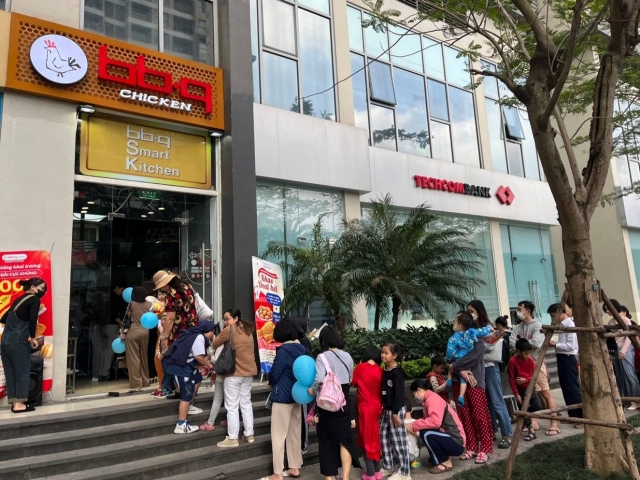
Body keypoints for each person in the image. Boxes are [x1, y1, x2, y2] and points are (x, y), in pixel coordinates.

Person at [309, 326, 361, 480]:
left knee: (326, 441)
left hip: (326, 403)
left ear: (323, 340)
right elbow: (350, 378)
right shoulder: (348, 356)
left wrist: (312, 391)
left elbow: (319, 380)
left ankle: (330, 478)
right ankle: (345, 477)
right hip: (343, 401)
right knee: (344, 439)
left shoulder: (322, 357)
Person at [260, 319, 306, 480]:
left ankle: (278, 472)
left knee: (278, 435)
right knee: (294, 432)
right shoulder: (302, 349)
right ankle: (294, 467)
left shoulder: (284, 350)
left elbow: (275, 373)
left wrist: (270, 381)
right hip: (297, 395)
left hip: (282, 395)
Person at [509, 300, 559, 435]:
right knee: (528, 396)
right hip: (522, 366)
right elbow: (511, 342)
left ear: (528, 311)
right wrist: (524, 346)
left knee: (546, 393)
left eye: (520, 309)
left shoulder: (537, 326)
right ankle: (533, 423)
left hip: (537, 362)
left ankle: (554, 423)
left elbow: (537, 343)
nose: (518, 312)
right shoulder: (517, 327)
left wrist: (521, 346)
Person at [468, 300, 513, 449]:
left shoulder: (487, 327)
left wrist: (476, 341)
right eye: (468, 311)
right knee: (486, 402)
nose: (470, 314)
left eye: (472, 311)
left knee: (496, 400)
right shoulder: (471, 328)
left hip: (489, 366)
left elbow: (488, 347)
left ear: (479, 311)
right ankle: (492, 430)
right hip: (478, 368)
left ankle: (507, 434)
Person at [450, 311, 494, 465]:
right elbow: (449, 356)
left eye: (455, 321)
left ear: (462, 324)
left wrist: (455, 366)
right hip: (457, 381)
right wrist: (457, 369)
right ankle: (471, 447)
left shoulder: (478, 340)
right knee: (464, 415)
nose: (453, 323)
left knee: (479, 414)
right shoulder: (454, 339)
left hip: (474, 382)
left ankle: (485, 448)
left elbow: (473, 358)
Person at [211, 308, 258, 448]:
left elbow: (214, 344)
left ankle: (233, 438)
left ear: (236, 318)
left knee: (232, 405)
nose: (225, 322)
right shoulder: (248, 330)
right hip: (248, 373)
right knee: (246, 403)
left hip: (233, 374)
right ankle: (249, 434)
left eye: (227, 319)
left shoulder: (229, 330)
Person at [0, 278, 47, 413]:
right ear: (33, 287)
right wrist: (32, 337)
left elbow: (3, 319)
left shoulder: (17, 300)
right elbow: (32, 320)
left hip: (5, 341)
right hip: (18, 341)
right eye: (41, 288)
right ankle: (19, 404)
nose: (42, 291)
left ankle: (14, 402)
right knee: (23, 371)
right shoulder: (34, 300)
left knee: (11, 372)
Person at [153, 270, 200, 398]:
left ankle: (178, 390)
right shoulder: (188, 287)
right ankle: (187, 389)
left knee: (170, 360)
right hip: (193, 330)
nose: (161, 289)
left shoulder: (171, 295)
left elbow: (170, 319)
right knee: (189, 361)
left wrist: (164, 337)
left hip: (179, 333)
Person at [163, 320, 216, 434]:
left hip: (183, 366)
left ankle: (190, 405)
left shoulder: (192, 334)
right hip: (180, 369)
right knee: (186, 394)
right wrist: (209, 365)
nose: (212, 334)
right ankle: (181, 424)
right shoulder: (199, 337)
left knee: (197, 378)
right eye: (211, 331)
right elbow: (198, 357)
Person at [407, 379, 466, 475]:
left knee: (426, 434)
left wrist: (414, 425)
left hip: (457, 442)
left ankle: (444, 462)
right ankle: (442, 456)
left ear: (419, 390)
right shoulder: (430, 399)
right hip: (452, 438)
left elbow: (435, 422)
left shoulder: (432, 399)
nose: (415, 398)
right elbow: (427, 420)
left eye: (414, 395)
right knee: (425, 431)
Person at [446, 312, 494, 407]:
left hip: (466, 372)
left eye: (455, 321)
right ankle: (461, 396)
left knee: (476, 413)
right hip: (467, 373)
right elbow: (482, 331)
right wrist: (489, 329)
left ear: (459, 326)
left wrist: (454, 364)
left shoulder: (453, 338)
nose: (453, 323)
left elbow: (449, 355)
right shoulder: (473, 333)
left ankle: (449, 380)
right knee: (472, 414)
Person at [380, 341, 412, 480]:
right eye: (382, 352)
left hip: (396, 411)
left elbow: (399, 394)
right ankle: (389, 465)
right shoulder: (385, 371)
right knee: (384, 438)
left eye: (386, 353)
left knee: (399, 441)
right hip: (386, 411)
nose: (383, 355)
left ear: (394, 355)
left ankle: (404, 472)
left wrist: (394, 413)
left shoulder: (397, 373)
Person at [351, 345, 383, 480]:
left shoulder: (360, 368)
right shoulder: (380, 371)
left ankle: (370, 474)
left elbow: (352, 382)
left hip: (365, 408)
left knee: (367, 440)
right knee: (375, 438)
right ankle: (378, 471)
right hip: (377, 407)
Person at [548, 303, 583, 421]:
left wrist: (556, 345)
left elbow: (571, 346)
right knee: (566, 387)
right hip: (562, 357)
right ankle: (572, 415)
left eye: (554, 315)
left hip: (568, 358)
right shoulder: (562, 325)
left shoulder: (570, 325)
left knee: (572, 387)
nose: (553, 318)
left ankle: (579, 416)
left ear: (561, 313)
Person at [604, 299, 640, 410]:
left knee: (630, 375)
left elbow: (629, 337)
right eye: (606, 310)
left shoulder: (625, 320)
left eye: (609, 309)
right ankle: (626, 399)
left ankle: (636, 401)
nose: (608, 312)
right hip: (615, 350)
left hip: (626, 350)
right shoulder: (610, 322)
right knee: (620, 376)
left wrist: (623, 351)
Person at [508, 339, 543, 441]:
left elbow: (534, 375)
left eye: (529, 353)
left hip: (530, 388)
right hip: (520, 390)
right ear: (518, 352)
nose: (528, 356)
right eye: (526, 353)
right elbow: (511, 379)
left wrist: (526, 380)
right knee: (524, 410)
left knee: (538, 406)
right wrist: (516, 394)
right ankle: (531, 432)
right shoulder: (512, 361)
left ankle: (523, 420)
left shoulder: (530, 360)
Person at [200, 313, 229, 432]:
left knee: (218, 397)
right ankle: (230, 419)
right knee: (230, 398)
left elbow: (216, 360)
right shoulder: (235, 339)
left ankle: (210, 423)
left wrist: (211, 355)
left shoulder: (220, 342)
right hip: (234, 373)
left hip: (222, 373)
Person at [122, 286, 152, 390]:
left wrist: (123, 332)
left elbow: (126, 319)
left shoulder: (132, 304)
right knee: (144, 356)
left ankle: (136, 383)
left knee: (133, 358)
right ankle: (145, 381)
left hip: (133, 330)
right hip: (145, 331)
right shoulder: (150, 304)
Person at [404, 399, 421, 470]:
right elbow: (419, 434)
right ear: (411, 410)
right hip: (415, 452)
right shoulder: (416, 422)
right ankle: (414, 461)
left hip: (404, 452)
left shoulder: (399, 423)